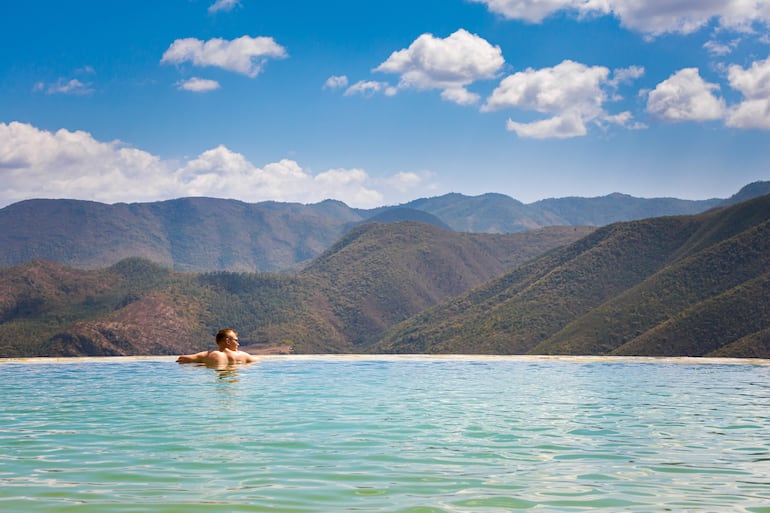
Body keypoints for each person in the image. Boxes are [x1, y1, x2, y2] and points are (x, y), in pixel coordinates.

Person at [176, 328, 260, 366]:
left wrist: (202, 364)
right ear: (228, 341)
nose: (238, 344)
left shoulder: (209, 355)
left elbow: (181, 359)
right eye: (236, 340)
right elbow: (259, 361)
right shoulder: (242, 355)